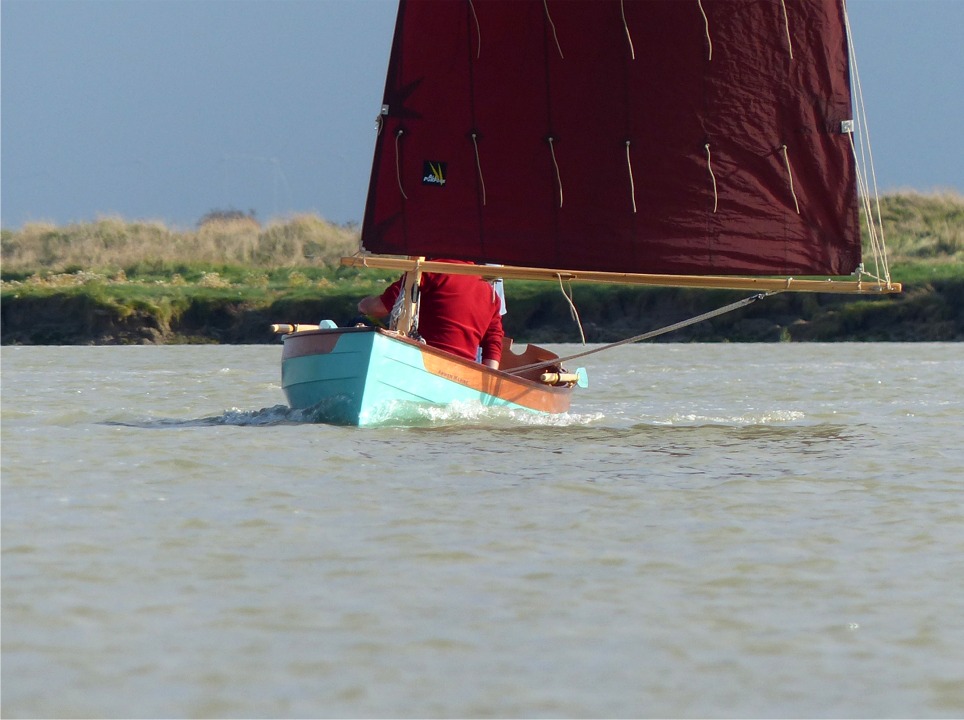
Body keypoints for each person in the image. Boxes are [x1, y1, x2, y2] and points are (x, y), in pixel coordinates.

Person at [357, 259, 504, 369]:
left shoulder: (429, 271)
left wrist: (363, 305)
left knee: (356, 323)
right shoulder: (491, 294)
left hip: (421, 363)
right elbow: (494, 343)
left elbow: (379, 308)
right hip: (462, 372)